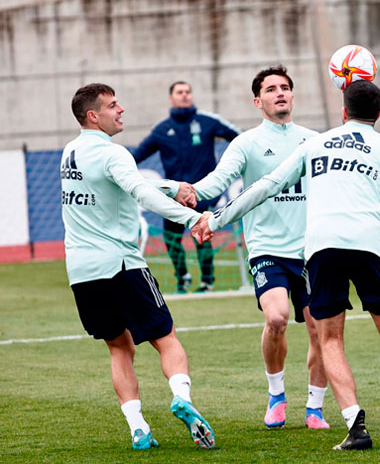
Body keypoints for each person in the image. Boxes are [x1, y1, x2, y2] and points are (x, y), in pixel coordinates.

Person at [192, 80, 380, 450]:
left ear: (343, 111)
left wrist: (214, 221)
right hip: (369, 244)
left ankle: (355, 425)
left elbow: (265, 186)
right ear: (378, 115)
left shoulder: (314, 143)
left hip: (321, 248)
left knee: (329, 337)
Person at [62, 83, 215, 450]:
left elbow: (118, 182)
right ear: (93, 115)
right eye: (113, 106)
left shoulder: (70, 151)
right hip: (121, 264)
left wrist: (171, 185)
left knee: (119, 348)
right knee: (167, 338)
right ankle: (182, 398)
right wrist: (190, 217)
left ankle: (138, 428)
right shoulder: (114, 154)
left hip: (81, 272)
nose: (121, 110)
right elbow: (138, 190)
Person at [188, 66, 330, 430]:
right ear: (258, 101)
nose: (280, 93)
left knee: (320, 328)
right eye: (271, 89)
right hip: (268, 248)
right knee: (277, 317)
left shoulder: (314, 140)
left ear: (293, 96)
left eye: (285, 88)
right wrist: (183, 190)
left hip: (313, 250)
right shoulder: (247, 143)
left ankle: (315, 406)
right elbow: (215, 183)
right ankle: (277, 393)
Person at [132, 81, 242, 293]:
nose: (184, 96)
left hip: (202, 194)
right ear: (171, 98)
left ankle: (207, 282)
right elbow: (137, 155)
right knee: (171, 240)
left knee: (202, 236)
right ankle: (183, 277)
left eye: (187, 92)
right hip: (174, 196)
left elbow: (241, 139)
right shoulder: (162, 130)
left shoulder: (207, 121)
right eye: (179, 92)